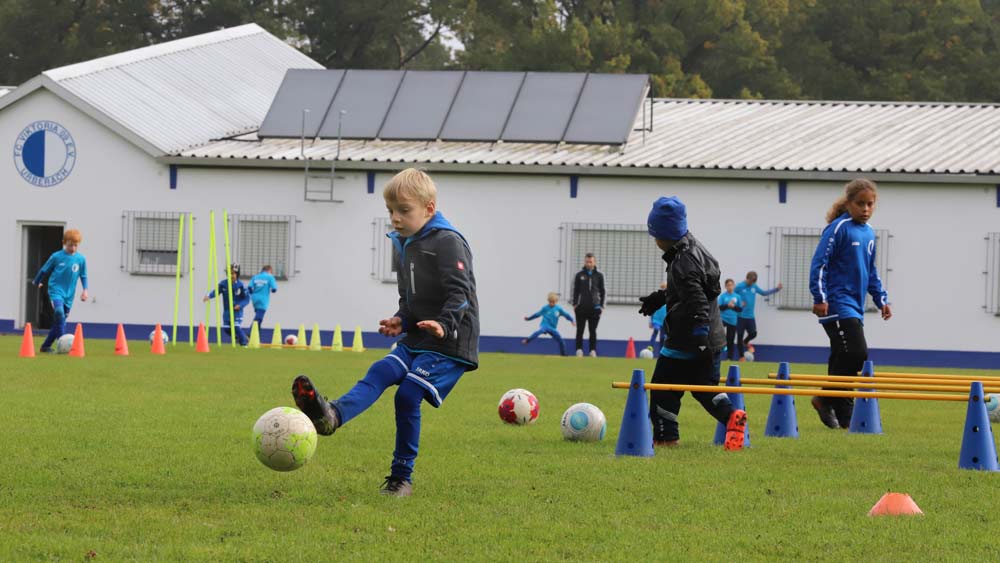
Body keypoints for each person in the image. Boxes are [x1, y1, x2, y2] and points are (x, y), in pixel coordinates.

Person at [291, 168, 479, 497]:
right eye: (390, 211)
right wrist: (401, 320)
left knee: (407, 394)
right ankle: (331, 415)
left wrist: (443, 325)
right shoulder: (402, 243)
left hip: (449, 341)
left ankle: (401, 478)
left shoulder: (448, 242)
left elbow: (460, 294)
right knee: (380, 370)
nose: (395, 218)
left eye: (404, 210)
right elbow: (409, 299)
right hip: (419, 335)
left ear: (429, 209)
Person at [639, 196, 747, 451]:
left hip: (689, 340)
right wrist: (660, 297)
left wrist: (699, 340)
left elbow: (696, 301)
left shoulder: (682, 263)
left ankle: (666, 438)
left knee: (663, 389)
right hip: (713, 339)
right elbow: (694, 290)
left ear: (662, 235)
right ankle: (732, 416)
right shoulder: (695, 249)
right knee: (705, 389)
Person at [809, 178, 891, 429]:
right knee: (857, 352)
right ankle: (824, 397)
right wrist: (819, 297)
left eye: (870, 204)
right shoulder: (838, 228)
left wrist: (881, 299)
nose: (865, 209)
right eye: (860, 204)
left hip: (855, 305)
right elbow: (819, 263)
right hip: (836, 302)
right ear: (849, 204)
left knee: (841, 356)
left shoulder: (868, 233)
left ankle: (844, 416)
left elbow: (871, 270)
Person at [32, 229, 88, 353]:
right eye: (70, 245)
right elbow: (44, 270)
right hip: (55, 290)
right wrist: (37, 281)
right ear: (64, 243)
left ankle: (45, 346)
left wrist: (85, 290)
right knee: (59, 313)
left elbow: (83, 275)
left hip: (69, 295)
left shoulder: (81, 259)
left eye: (75, 245)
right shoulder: (56, 256)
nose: (73, 248)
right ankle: (62, 342)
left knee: (59, 322)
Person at [735, 271, 782, 360]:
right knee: (739, 336)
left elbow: (764, 293)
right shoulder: (739, 286)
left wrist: (777, 289)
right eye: (750, 282)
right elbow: (732, 296)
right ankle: (741, 357)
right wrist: (739, 303)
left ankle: (746, 342)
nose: (751, 283)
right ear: (747, 278)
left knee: (753, 333)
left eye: (753, 282)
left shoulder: (754, 286)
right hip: (740, 316)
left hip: (750, 316)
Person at [202, 263, 249, 346]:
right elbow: (216, 291)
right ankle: (241, 337)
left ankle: (244, 344)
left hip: (236, 311)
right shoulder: (223, 284)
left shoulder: (241, 285)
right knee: (226, 329)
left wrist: (240, 305)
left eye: (234, 273)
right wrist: (208, 296)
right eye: (230, 273)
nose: (232, 275)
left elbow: (246, 299)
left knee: (236, 327)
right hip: (227, 311)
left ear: (237, 274)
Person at [572, 252, 605, 357]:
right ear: (585, 262)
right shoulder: (579, 275)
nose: (589, 263)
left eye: (590, 262)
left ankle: (592, 351)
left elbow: (603, 291)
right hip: (581, 308)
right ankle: (579, 350)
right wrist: (575, 304)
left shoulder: (599, 276)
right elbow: (575, 290)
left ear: (594, 262)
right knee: (580, 330)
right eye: (587, 261)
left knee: (593, 330)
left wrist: (602, 306)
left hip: (595, 308)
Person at [717, 279, 744, 361]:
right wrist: (727, 305)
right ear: (725, 286)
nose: (730, 287)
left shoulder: (737, 297)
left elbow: (740, 309)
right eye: (728, 285)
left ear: (734, 286)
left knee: (730, 340)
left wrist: (733, 307)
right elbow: (719, 307)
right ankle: (717, 355)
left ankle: (729, 357)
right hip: (723, 319)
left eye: (731, 285)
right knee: (718, 336)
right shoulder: (722, 296)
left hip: (732, 321)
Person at [648, 282, 668, 354]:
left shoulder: (669, 299)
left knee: (663, 337)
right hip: (656, 320)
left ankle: (661, 352)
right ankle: (650, 347)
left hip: (665, 321)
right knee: (656, 330)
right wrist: (650, 321)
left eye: (665, 288)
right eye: (662, 288)